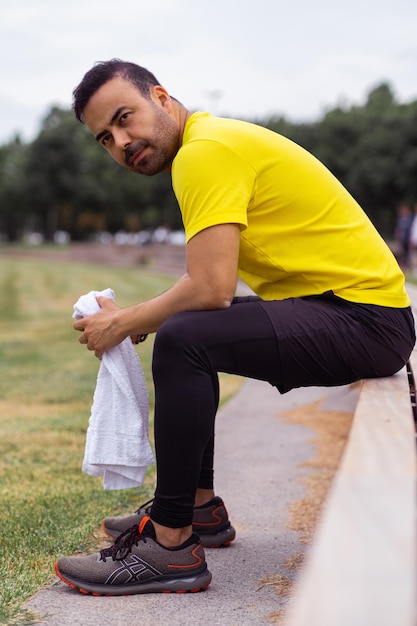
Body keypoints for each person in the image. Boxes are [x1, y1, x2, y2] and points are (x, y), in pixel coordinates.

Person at [54, 59, 415, 596]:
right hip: (361, 313)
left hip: (365, 320)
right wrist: (142, 317)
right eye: (106, 138)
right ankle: (199, 511)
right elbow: (208, 284)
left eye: (126, 118)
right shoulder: (208, 144)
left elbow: (211, 287)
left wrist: (126, 322)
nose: (122, 141)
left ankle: (172, 545)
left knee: (184, 338)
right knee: (190, 331)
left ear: (161, 97)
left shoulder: (204, 153)